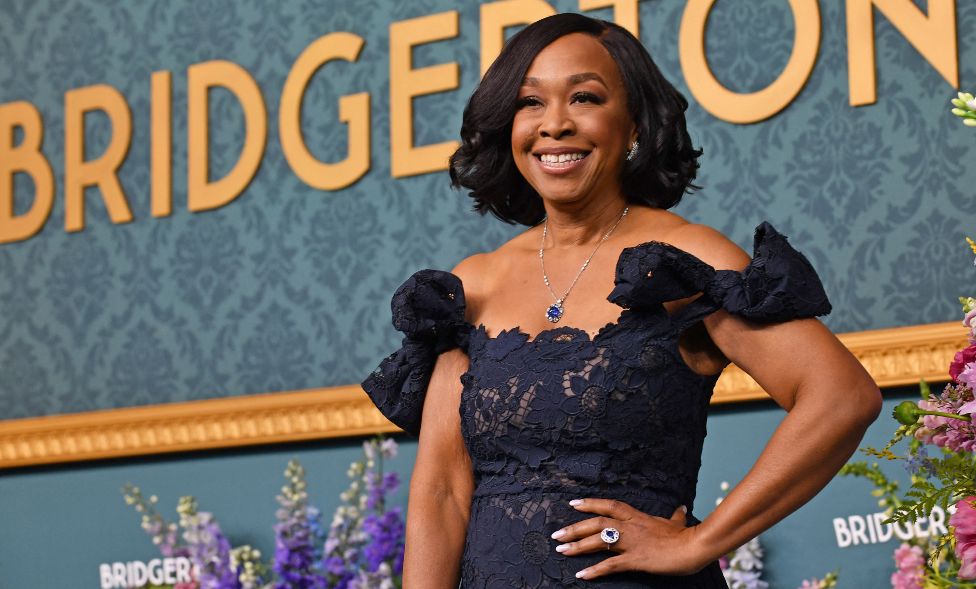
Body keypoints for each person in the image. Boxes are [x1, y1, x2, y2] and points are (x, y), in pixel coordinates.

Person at [362, 12, 881, 588]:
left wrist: (699, 544)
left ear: (633, 123)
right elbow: (442, 491)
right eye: (530, 103)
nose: (554, 124)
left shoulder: (681, 258)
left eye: (584, 97)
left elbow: (841, 397)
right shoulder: (472, 285)